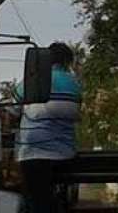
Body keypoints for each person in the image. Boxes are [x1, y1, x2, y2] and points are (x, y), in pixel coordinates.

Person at [14, 42, 81, 213]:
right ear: (67, 62)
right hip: (66, 154)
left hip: (33, 154)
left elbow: (13, 110)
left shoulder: (32, 81)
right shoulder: (74, 84)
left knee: (34, 199)